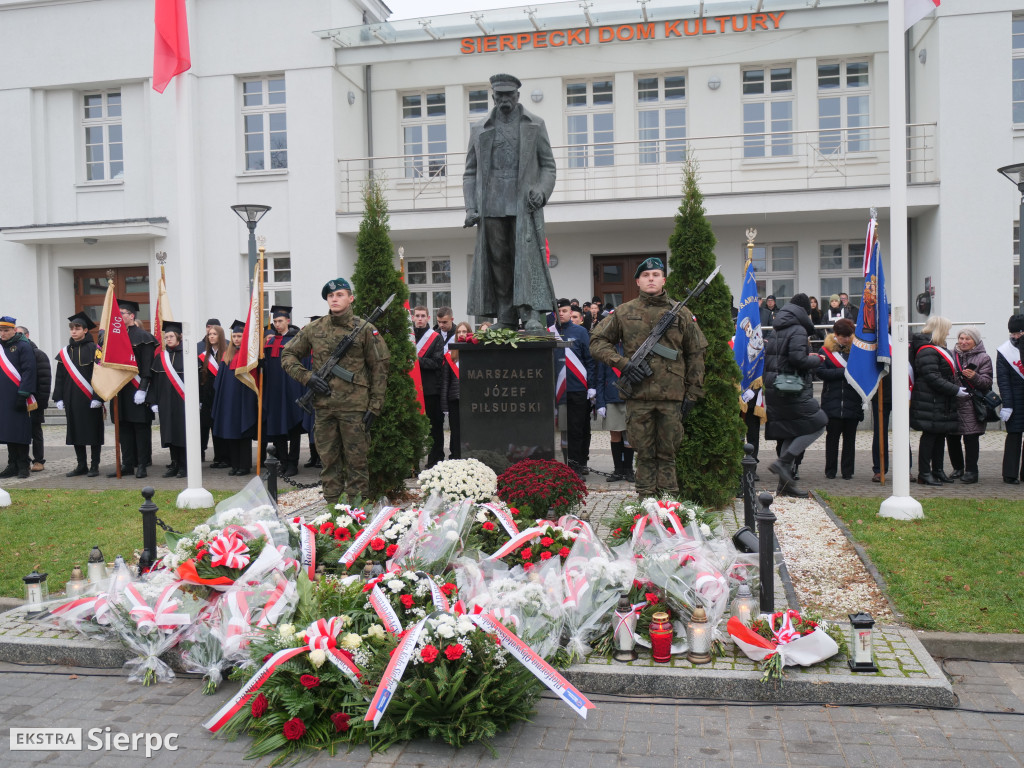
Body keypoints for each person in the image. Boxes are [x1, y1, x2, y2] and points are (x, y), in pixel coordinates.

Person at [591, 257, 707, 498]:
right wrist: (623, 364)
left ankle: (669, 507)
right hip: (638, 394)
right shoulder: (623, 312)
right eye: (646, 275)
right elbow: (597, 342)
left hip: (671, 395)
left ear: (664, 279)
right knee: (643, 453)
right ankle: (646, 505)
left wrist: (694, 392)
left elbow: (696, 354)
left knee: (668, 454)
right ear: (638, 282)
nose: (651, 279)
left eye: (656, 274)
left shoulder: (681, 312)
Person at [281, 277, 389, 504]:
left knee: (357, 462)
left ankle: (358, 512)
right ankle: (332, 511)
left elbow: (380, 368)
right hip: (324, 407)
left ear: (351, 298)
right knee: (328, 461)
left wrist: (375, 406)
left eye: (340, 295)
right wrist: (307, 377)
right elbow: (287, 355)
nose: (335, 299)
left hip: (355, 408)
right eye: (331, 296)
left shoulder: (366, 329)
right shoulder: (314, 329)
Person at [463, 73, 557, 330]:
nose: (504, 99)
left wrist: (541, 190)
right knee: (498, 263)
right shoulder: (479, 128)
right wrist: (471, 207)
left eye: (509, 95)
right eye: (499, 95)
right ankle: (505, 316)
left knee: (523, 260)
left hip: (523, 205)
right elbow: (470, 172)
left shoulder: (535, 124)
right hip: (491, 205)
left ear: (517, 95)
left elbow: (548, 166)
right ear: (493, 96)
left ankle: (529, 316)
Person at [763, 293, 827, 498]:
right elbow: (798, 359)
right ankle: (782, 463)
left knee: (791, 431)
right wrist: (817, 359)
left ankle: (784, 487)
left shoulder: (777, 329)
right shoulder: (798, 329)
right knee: (819, 423)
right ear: (805, 311)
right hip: (790, 387)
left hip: (776, 387)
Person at [909, 315, 961, 486]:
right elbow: (932, 376)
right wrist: (955, 390)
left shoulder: (936, 348)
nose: (948, 333)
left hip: (940, 400)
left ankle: (937, 469)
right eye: (946, 330)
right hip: (929, 400)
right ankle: (924, 472)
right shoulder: (927, 350)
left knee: (940, 435)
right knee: (930, 437)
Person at [107, 299, 156, 479]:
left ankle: (142, 464)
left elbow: (147, 366)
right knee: (124, 429)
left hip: (137, 390)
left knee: (140, 429)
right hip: (121, 389)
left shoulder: (143, 337)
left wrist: (143, 389)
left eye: (122, 314)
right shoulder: (114, 337)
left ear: (132, 316)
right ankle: (127, 464)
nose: (119, 317)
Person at [53, 312, 105, 477]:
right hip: (71, 398)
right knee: (75, 432)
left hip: (90, 399)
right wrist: (58, 397)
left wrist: (98, 398)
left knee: (93, 432)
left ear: (85, 330)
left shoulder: (95, 350)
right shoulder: (65, 352)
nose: (74, 331)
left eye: (77, 328)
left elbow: (101, 376)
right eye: (72, 329)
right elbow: (60, 377)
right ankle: (81, 465)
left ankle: (94, 465)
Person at [551, 298, 597, 475]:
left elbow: (589, 360)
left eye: (564, 311)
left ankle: (576, 466)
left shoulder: (581, 332)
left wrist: (591, 386)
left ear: (571, 313)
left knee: (577, 429)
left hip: (578, 389)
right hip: (557, 390)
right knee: (562, 430)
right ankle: (562, 465)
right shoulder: (550, 332)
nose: (561, 313)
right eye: (559, 311)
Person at [816, 318, 863, 480]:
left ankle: (848, 471)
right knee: (832, 438)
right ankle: (830, 470)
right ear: (836, 335)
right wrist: (843, 373)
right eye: (843, 336)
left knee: (850, 440)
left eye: (849, 336)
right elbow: (821, 373)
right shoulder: (825, 351)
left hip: (852, 400)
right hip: (832, 400)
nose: (847, 339)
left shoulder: (857, 351)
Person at [262, 306, 304, 477]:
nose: (277, 324)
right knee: (277, 427)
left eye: (280, 321)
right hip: (275, 391)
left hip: (293, 389)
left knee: (294, 427)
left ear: (288, 321)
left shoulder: (296, 340)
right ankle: (283, 462)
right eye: (275, 322)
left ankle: (293, 463)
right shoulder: (270, 342)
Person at [212, 320, 258, 476]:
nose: (237, 339)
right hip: (228, 401)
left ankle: (244, 466)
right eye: (235, 336)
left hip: (243, 400)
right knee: (230, 433)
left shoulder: (249, 356)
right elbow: (220, 381)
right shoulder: (226, 355)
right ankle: (235, 464)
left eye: (239, 336)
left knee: (242, 434)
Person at [947, 326, 992, 484]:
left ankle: (972, 471)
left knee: (971, 438)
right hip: (954, 402)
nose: (963, 342)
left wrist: (974, 377)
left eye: (967, 339)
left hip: (972, 404)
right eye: (961, 338)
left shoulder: (983, 358)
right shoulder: (951, 355)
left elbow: (986, 383)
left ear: (975, 341)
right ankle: (957, 468)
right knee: (952, 437)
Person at [148, 321, 187, 478]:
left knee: (182, 433)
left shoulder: (188, 356)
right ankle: (174, 464)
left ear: (179, 337)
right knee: (170, 434)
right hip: (165, 402)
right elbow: (155, 381)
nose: (168, 339)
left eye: (171, 336)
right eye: (166, 337)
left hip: (182, 402)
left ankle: (185, 466)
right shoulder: (160, 357)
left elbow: (198, 380)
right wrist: (153, 401)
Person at [0, 316, 37, 479]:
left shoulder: (23, 346)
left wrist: (23, 394)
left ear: (14, 330)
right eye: (0, 331)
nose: (3, 334)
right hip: (3, 397)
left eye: (6, 330)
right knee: (8, 432)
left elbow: (29, 371)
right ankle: (12, 464)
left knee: (20, 432)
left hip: (18, 396)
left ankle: (23, 465)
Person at [411, 305, 446, 467]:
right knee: (412, 429)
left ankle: (435, 462)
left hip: (431, 390)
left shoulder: (436, 337)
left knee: (435, 428)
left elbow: (437, 362)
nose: (419, 319)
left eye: (422, 316)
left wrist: (416, 360)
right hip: (411, 390)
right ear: (412, 318)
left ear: (428, 318)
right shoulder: (408, 337)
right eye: (417, 316)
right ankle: (411, 466)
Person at [594, 345, 635, 483]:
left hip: (630, 397)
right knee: (615, 435)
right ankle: (618, 469)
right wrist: (600, 402)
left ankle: (628, 469)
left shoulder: (632, 347)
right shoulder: (606, 351)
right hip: (611, 397)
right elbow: (600, 378)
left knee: (629, 435)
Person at [15, 326, 50, 472]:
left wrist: (41, 402)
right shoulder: (14, 353)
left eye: (20, 334)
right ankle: (23, 460)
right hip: (18, 400)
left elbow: (44, 380)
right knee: (19, 431)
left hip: (34, 401)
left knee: (35, 431)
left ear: (27, 335)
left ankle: (38, 460)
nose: (18, 337)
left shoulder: (38, 354)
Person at [996, 314, 1024, 485]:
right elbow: (1003, 380)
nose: (1015, 336)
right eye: (1012, 333)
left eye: (1018, 333)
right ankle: (1010, 474)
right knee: (1014, 436)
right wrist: (1007, 404)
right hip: (1014, 399)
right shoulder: (1005, 351)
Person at [199, 324, 229, 468]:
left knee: (222, 425)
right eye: (209, 334)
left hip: (223, 395)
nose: (211, 336)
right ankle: (218, 457)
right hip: (208, 396)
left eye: (214, 334)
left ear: (220, 336)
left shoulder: (227, 353)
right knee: (211, 425)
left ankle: (226, 457)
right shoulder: (205, 356)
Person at [441, 321, 471, 461]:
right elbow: (445, 382)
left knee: (469, 430)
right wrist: (445, 406)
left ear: (469, 333)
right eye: (459, 332)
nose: (461, 334)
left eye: (464, 331)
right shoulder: (450, 356)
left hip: (470, 399)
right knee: (455, 431)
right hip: (454, 399)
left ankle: (469, 456)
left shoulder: (474, 353)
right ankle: (455, 457)